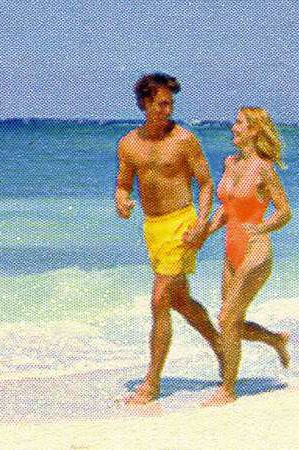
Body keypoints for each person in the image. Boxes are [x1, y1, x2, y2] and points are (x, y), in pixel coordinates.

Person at [114, 73, 223, 404]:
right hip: (153, 228)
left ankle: (152, 382)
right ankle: (222, 346)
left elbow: (206, 184)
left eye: (170, 104)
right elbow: (123, 184)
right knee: (179, 301)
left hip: (182, 225)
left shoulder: (184, 139)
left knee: (159, 298)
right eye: (161, 104)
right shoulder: (128, 144)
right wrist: (121, 200)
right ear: (145, 104)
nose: (168, 110)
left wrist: (201, 223)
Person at [202, 107, 292, 406]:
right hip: (231, 249)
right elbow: (226, 209)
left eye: (239, 123)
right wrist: (202, 234)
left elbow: (284, 211)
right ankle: (276, 339)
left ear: (253, 130)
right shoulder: (230, 163)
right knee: (232, 324)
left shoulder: (264, 168)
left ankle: (228, 390)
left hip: (256, 250)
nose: (233, 127)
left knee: (226, 318)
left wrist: (262, 227)